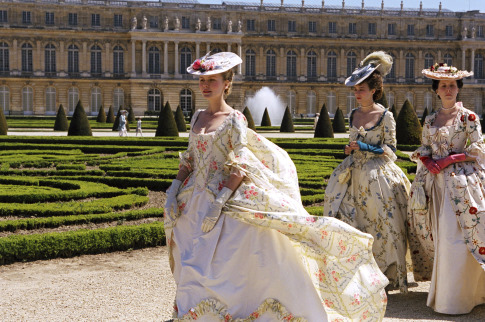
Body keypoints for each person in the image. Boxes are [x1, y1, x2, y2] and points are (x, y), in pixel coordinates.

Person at [164, 51, 388, 321]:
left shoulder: (235, 118)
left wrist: (220, 201)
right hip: (193, 200)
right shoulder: (197, 116)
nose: (205, 85)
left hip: (224, 198)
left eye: (212, 79)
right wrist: (175, 187)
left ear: (227, 83)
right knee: (191, 261)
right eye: (202, 80)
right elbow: (189, 159)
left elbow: (240, 165)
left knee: (230, 262)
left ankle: (232, 312)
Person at [324, 51, 411, 293]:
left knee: (382, 224)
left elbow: (392, 150)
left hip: (378, 175)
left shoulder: (386, 116)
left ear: (373, 89)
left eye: (361, 88)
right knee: (348, 219)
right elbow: (352, 142)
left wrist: (366, 147)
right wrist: (350, 149)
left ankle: (385, 274)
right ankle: (357, 271)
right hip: (353, 173)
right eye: (355, 89)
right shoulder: (353, 114)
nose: (357, 93)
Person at [408, 63, 485, 314]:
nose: (449, 89)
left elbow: (478, 150)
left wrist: (449, 160)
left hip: (462, 185)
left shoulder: (468, 117)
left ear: (458, 89)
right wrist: (428, 161)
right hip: (436, 186)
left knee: (457, 239)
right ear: (437, 90)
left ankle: (459, 299)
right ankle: (449, 295)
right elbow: (426, 147)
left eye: (452, 85)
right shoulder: (430, 119)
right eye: (444, 86)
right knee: (443, 239)